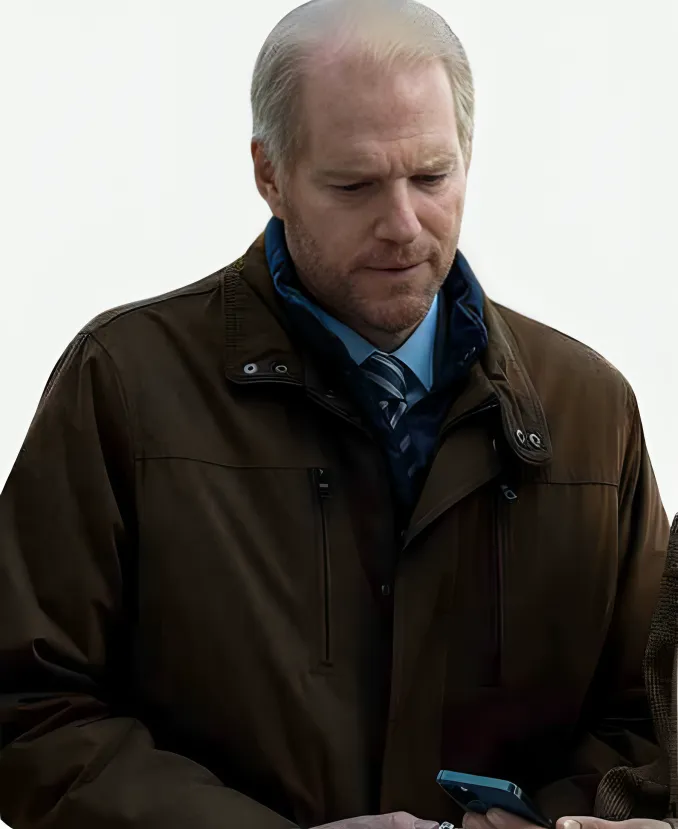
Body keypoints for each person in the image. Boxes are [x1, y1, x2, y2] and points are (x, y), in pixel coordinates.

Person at [0, 1, 672, 828]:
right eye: (354, 185)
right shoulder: (123, 386)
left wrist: (545, 820)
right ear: (269, 173)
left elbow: (652, 717)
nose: (402, 225)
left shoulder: (592, 410)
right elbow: (29, 709)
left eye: (432, 177)